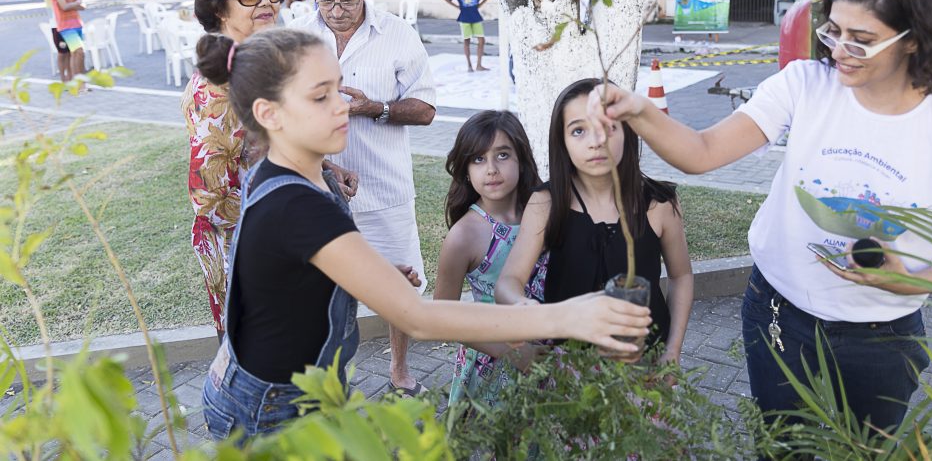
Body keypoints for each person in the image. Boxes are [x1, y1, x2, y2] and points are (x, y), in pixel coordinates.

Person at [587, 0, 932, 437]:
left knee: (862, 450)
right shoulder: (805, 85)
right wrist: (639, 110)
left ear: (913, 40)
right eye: (834, 30)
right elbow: (702, 152)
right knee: (781, 444)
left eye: (862, 40)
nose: (838, 50)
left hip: (882, 338)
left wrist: (903, 281)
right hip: (777, 312)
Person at [196, 28, 652, 440]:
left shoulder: (302, 173)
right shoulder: (297, 204)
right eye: (321, 97)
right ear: (268, 114)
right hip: (269, 410)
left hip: (282, 387)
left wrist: (359, 272)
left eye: (339, 87)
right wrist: (564, 318)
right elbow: (419, 318)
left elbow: (292, 267)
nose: (345, 104)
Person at [182, 0, 358, 341]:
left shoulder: (257, 64)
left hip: (284, 233)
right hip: (251, 248)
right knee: (277, 363)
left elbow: (267, 148)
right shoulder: (217, 89)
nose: (265, 2)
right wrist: (288, 231)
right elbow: (210, 197)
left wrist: (323, 169)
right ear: (217, 7)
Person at [291, 0, 436, 396]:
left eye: (347, 0)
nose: (336, 10)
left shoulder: (398, 34)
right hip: (316, 189)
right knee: (317, 292)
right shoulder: (296, 34)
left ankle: (399, 369)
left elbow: (427, 108)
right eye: (327, 0)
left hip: (384, 188)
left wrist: (378, 108)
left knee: (399, 284)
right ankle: (326, 382)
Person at [496, 78, 694, 365]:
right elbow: (509, 280)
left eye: (608, 127)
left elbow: (681, 276)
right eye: (578, 130)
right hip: (569, 369)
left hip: (646, 364)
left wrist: (672, 351)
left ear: (628, 131)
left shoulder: (659, 204)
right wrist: (522, 307)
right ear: (561, 141)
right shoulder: (546, 203)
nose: (596, 141)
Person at [434, 110, 547, 408]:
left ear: (522, 159)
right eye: (478, 159)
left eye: (503, 155)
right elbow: (441, 319)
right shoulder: (464, 236)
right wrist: (512, 353)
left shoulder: (544, 211)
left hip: (550, 356)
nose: (492, 169)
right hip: (493, 365)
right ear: (465, 169)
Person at [42, 0, 86, 83]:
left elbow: (78, 3)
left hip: (72, 23)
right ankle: (64, 80)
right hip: (57, 24)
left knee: (72, 52)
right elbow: (64, 5)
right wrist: (76, 2)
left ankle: (73, 79)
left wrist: (77, 2)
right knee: (63, 53)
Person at [443, 0, 492, 72]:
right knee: (467, 41)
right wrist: (457, 7)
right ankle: (469, 65)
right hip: (464, 18)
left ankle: (479, 65)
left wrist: (480, 4)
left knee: (481, 40)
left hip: (476, 17)